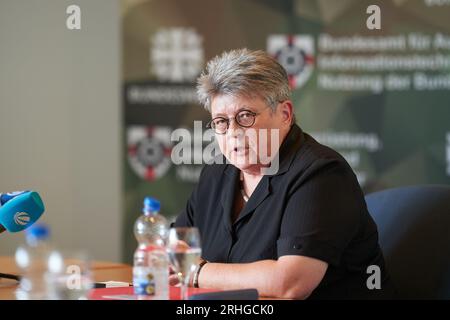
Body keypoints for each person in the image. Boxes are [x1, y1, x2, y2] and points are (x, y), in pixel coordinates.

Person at [172, 48, 396, 299]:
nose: (232, 132)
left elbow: (290, 283)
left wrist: (197, 271)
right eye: (221, 121)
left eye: (245, 116)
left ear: (285, 114)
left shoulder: (320, 173)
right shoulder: (217, 173)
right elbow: (174, 249)